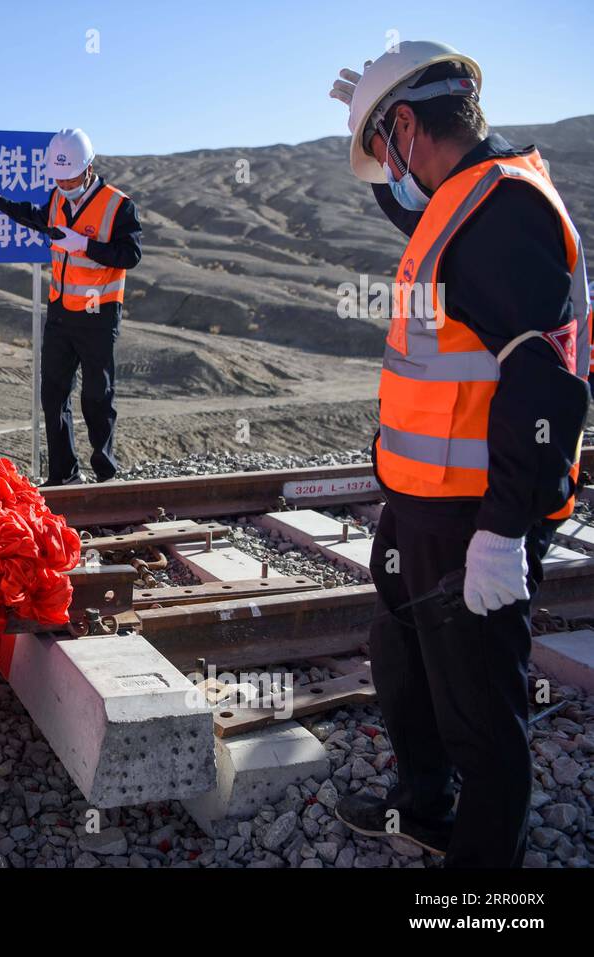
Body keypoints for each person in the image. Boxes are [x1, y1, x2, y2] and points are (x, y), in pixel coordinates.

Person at [330, 41, 591, 867]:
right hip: (422, 506)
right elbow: (419, 221)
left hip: (477, 517)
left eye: (383, 146)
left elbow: (547, 391)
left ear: (407, 123)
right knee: (404, 657)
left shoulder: (507, 212)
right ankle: (424, 809)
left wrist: (505, 532)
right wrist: (363, 130)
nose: (387, 172)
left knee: (484, 720)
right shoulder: (459, 199)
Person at [0, 128, 142, 485]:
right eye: (58, 179)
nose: (64, 186)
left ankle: (105, 474)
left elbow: (131, 255)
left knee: (97, 397)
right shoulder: (56, 199)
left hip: (98, 314)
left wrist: (85, 245)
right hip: (61, 313)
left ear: (88, 168)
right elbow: (37, 216)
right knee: (53, 395)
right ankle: (63, 475)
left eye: (69, 179)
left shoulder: (118, 205)